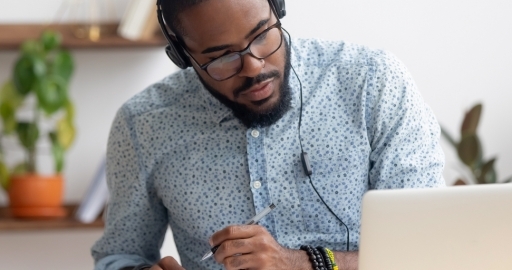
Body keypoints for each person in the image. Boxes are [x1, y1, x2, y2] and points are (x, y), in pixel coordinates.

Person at [91, 0, 446, 269]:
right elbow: (120, 254)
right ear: (182, 56)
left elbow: (429, 250)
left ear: (278, 8)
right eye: (221, 58)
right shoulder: (143, 124)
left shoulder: (373, 83)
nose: (254, 66)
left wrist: (298, 263)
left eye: (262, 36)